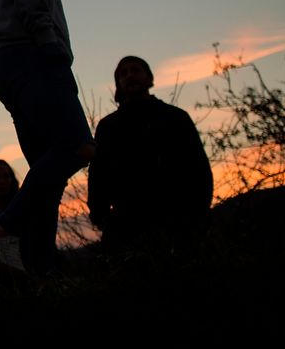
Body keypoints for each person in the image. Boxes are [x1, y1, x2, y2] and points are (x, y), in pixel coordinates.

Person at [0, 0, 95, 276]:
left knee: (48, 174)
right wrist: (52, 48)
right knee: (78, 145)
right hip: (31, 56)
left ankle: (39, 267)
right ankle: (5, 229)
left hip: (12, 64)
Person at [88, 55, 213, 249]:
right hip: (126, 228)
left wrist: (196, 215)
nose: (129, 75)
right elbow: (98, 177)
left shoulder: (175, 118)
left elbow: (199, 169)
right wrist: (102, 218)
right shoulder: (108, 127)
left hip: (178, 224)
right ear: (118, 84)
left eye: (135, 70)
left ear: (149, 78)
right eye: (123, 73)